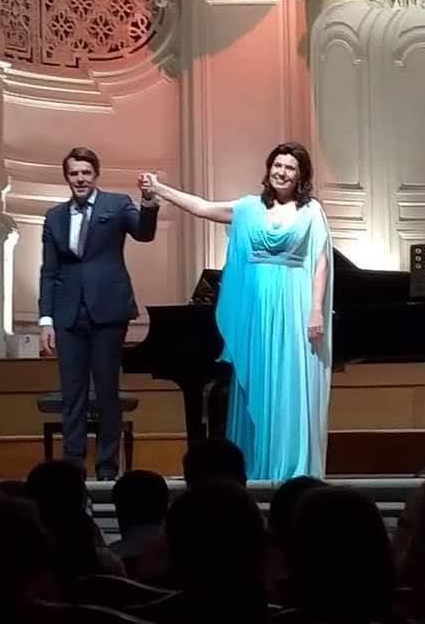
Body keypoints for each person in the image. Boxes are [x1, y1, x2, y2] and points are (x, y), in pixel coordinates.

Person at [140, 141, 333, 480]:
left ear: (301, 175)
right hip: (255, 312)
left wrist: (316, 310)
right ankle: (257, 468)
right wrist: (159, 189)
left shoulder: (311, 211)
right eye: (277, 165)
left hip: (292, 308)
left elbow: (320, 262)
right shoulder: (248, 207)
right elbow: (202, 207)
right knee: (254, 387)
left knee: (287, 387)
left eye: (290, 167)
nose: (282, 172)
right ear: (268, 169)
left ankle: (291, 469)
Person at [39, 147, 159, 480]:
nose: (80, 179)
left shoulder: (116, 204)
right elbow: (48, 271)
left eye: (86, 172)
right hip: (67, 314)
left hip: (107, 310)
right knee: (72, 394)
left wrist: (149, 201)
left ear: (95, 174)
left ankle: (107, 468)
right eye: (74, 173)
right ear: (67, 177)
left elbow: (144, 233)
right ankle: (73, 467)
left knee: (107, 391)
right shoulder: (54, 216)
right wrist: (45, 319)